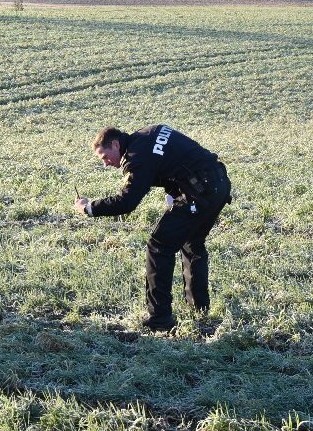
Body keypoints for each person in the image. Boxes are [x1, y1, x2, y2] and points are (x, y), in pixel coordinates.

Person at [74, 125, 231, 333]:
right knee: (192, 243)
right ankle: (199, 310)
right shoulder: (146, 136)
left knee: (158, 246)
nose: (105, 163)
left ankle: (160, 319)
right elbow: (174, 161)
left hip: (200, 191)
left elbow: (127, 201)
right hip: (217, 183)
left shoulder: (137, 156)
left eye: (104, 156)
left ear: (115, 144)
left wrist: (89, 208)